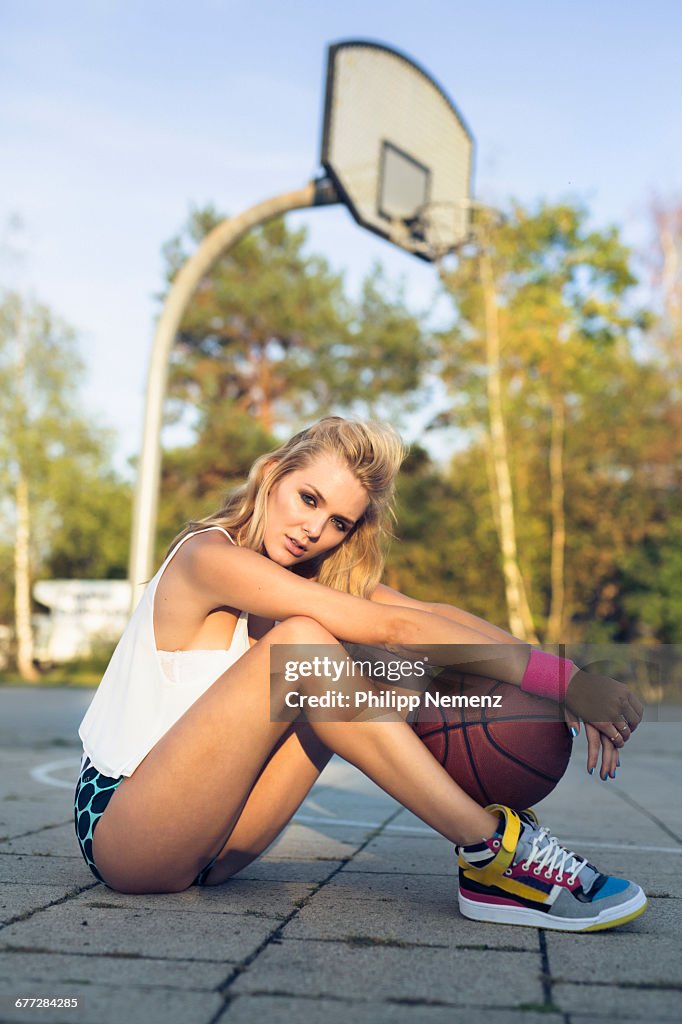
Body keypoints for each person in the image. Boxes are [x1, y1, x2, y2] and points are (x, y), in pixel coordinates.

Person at [75, 417, 646, 932]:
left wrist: (561, 678)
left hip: (217, 843)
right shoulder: (208, 558)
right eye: (307, 498)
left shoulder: (301, 579)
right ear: (272, 474)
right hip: (126, 829)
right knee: (306, 645)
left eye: (337, 521)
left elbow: (429, 617)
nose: (312, 528)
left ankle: (498, 846)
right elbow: (392, 627)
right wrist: (566, 683)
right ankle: (492, 853)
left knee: (373, 661)